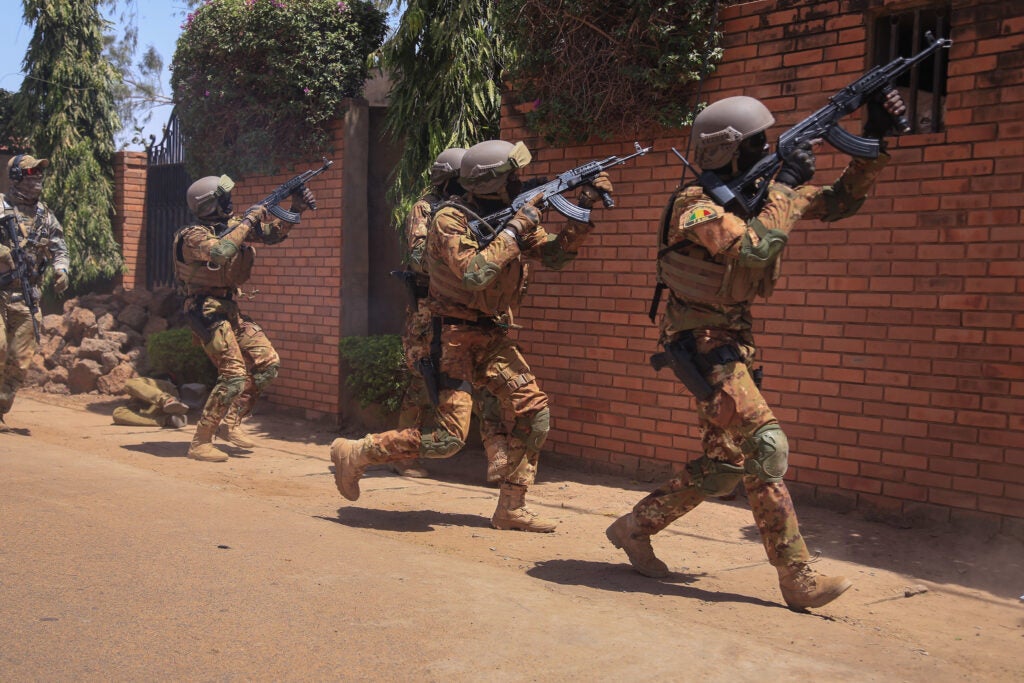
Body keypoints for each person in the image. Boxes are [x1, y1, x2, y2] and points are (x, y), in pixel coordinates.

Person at [606, 91, 906, 610]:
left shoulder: (761, 194)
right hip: (699, 344)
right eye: (759, 143)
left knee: (724, 464)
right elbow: (753, 246)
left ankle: (634, 527)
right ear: (730, 151)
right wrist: (786, 186)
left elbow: (841, 202)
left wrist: (874, 143)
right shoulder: (693, 204)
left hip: (735, 342)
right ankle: (798, 577)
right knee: (767, 446)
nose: (769, 150)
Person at [330, 139, 613, 532]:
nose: (521, 181)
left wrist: (583, 207)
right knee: (448, 439)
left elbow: (555, 256)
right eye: (513, 176)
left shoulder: (501, 214)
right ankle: (360, 451)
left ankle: (511, 506)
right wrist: (516, 227)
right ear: (491, 182)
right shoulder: (450, 219)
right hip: (450, 337)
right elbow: (474, 273)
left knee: (536, 413)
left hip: (493, 333)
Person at [389, 147, 510, 485]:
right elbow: (417, 260)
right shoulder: (426, 209)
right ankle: (401, 453)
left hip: (472, 306)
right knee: (420, 379)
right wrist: (453, 251)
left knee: (488, 378)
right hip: (431, 308)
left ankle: (498, 455)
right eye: (459, 180)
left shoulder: (471, 209)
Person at [173, 174, 315, 462]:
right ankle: (201, 441)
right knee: (234, 375)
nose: (231, 201)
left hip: (228, 308)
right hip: (204, 311)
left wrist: (296, 207)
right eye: (224, 197)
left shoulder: (231, 226)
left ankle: (232, 422)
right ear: (210, 204)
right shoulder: (192, 236)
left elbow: (272, 234)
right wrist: (248, 220)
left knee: (268, 363)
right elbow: (222, 252)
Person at [0, 154, 70, 432]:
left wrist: (61, 269)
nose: (36, 178)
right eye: (30, 172)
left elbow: (60, 248)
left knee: (20, 359)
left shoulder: (45, 215)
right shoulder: (1, 207)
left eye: (39, 173)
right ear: (15, 176)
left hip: (26, 297)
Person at [112, 376, 190, 429]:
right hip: (154, 409)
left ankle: (167, 400)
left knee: (130, 383)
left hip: (165, 391)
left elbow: (132, 385)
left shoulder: (151, 382)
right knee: (117, 413)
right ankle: (170, 420)